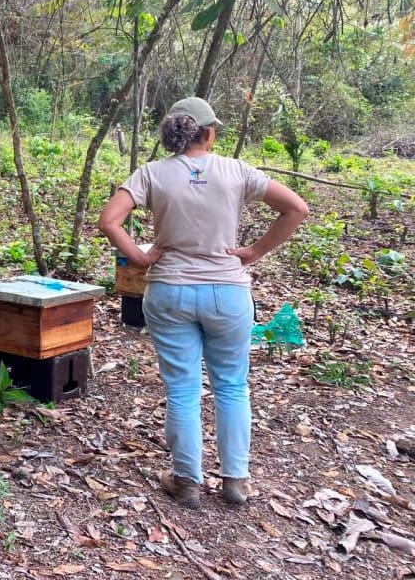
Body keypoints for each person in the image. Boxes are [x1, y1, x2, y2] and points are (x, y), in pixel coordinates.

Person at [98, 97, 308, 508]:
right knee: (231, 386)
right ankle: (235, 481)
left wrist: (140, 258)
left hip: (170, 291)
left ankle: (187, 481)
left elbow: (109, 220)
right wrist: (254, 251)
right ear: (208, 132)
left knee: (182, 388)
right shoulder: (236, 171)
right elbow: (297, 209)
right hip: (228, 293)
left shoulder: (152, 173)